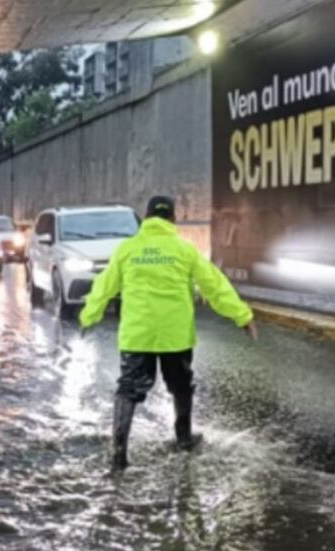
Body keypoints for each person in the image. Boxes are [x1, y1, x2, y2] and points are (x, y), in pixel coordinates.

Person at [79, 195, 258, 471]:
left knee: (129, 389)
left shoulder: (128, 249)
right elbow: (214, 285)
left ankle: (118, 453)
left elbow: (105, 286)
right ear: (173, 219)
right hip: (176, 336)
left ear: (147, 217)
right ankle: (183, 439)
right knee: (181, 386)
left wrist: (89, 315)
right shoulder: (184, 250)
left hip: (138, 336)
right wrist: (242, 316)